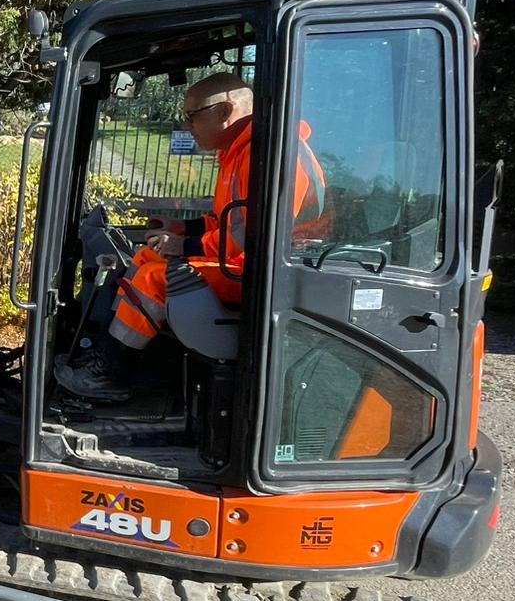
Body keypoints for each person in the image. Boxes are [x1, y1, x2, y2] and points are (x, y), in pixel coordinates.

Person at [57, 72, 325, 403]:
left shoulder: (271, 156)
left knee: (156, 278)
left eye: (191, 115)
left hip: (270, 276)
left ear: (224, 111)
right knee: (145, 258)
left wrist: (183, 247)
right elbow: (225, 221)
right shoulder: (242, 152)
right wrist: (181, 228)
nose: (186, 126)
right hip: (244, 262)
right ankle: (107, 353)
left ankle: (110, 376)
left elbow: (248, 237)